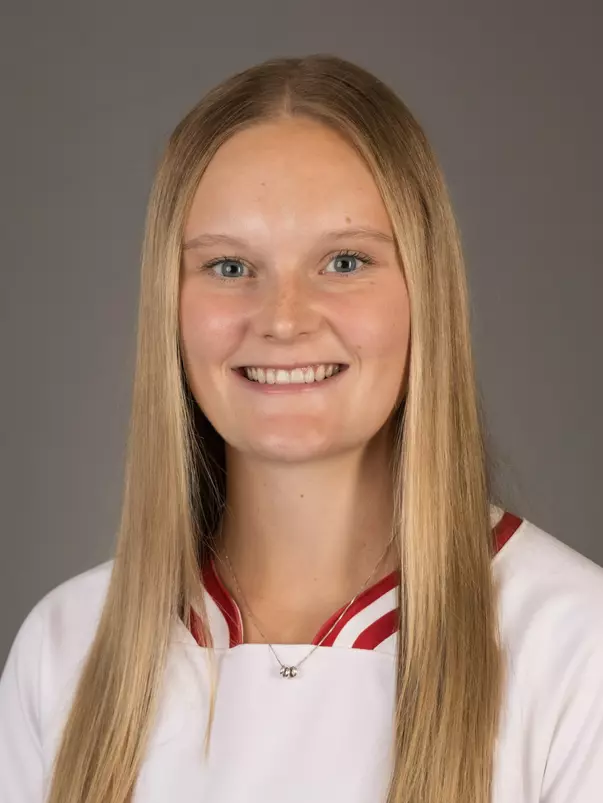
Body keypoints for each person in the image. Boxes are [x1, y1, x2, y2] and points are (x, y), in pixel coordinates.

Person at [1, 54, 602, 803]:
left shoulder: (576, 647)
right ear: (170, 304)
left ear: (426, 292)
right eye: (227, 266)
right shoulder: (66, 649)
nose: (283, 318)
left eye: (344, 260)